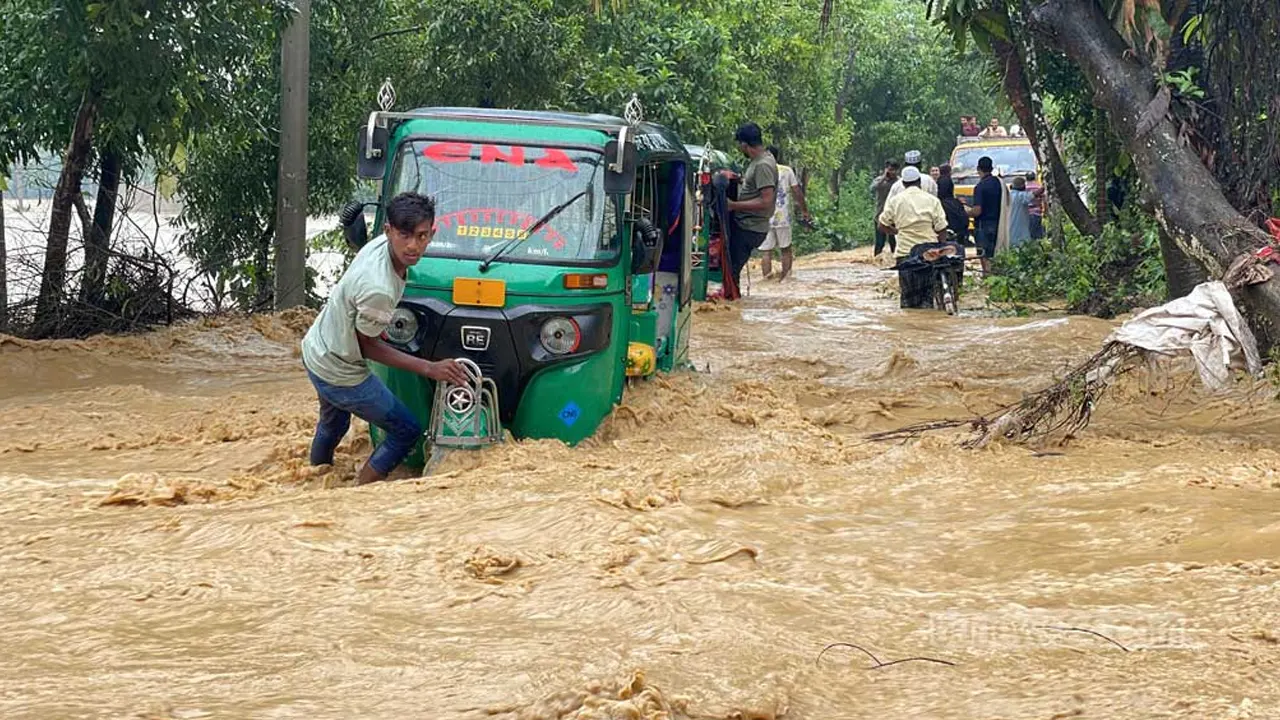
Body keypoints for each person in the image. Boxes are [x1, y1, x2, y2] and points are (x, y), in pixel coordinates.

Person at [302, 192, 470, 485]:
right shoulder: (379, 288)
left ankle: (315, 478)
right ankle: (360, 494)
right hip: (340, 369)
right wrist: (429, 367)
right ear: (389, 231)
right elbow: (368, 346)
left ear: (432, 233)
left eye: (420, 236)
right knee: (406, 430)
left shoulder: (379, 245)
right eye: (404, 236)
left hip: (317, 347)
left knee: (334, 423)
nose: (413, 246)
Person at [878, 167, 948, 307]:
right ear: (919, 182)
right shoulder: (932, 200)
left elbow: (881, 225)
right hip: (928, 253)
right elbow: (941, 228)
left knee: (907, 297)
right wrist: (941, 246)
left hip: (905, 254)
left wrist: (895, 232)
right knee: (927, 296)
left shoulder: (895, 201)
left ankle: (908, 323)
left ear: (903, 183)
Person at [724, 122, 777, 297]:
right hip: (749, 225)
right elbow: (755, 186)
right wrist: (738, 179)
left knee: (730, 273)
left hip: (749, 227)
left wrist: (733, 205)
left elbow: (766, 201)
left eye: (740, 146)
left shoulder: (762, 165)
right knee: (732, 271)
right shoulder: (760, 161)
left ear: (744, 145)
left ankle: (733, 305)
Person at [761, 145, 810, 281]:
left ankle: (766, 281)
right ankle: (786, 280)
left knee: (766, 251)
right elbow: (797, 192)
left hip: (764, 217)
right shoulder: (786, 171)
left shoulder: (760, 171)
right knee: (786, 249)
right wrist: (804, 210)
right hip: (783, 217)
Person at [966, 156, 1005, 275]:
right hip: (999, 222)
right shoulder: (999, 183)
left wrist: (966, 212)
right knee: (996, 251)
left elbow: (977, 211)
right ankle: (998, 276)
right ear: (991, 168)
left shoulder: (980, 187)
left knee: (984, 253)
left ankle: (988, 276)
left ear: (978, 169)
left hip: (983, 225)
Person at [870, 160, 900, 257]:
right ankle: (877, 258)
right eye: (890, 170)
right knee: (879, 241)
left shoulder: (899, 182)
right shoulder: (879, 180)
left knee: (894, 241)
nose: (892, 172)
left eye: (894, 170)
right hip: (880, 214)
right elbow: (872, 188)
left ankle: (895, 258)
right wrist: (883, 178)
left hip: (895, 216)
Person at [1007, 175, 1041, 248]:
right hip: (1021, 231)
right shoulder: (1020, 196)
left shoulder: (1008, 196)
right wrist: (1044, 187)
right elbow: (1034, 194)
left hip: (1009, 230)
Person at [937, 177, 970, 246]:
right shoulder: (957, 203)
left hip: (944, 242)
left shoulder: (938, 204)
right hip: (959, 240)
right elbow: (965, 220)